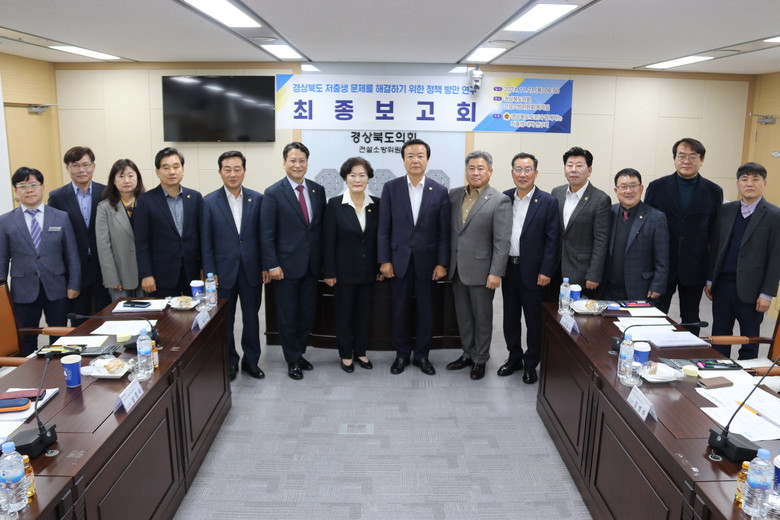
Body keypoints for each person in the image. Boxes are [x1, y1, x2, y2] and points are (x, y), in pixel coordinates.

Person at [378, 139, 450, 376]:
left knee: (426, 312)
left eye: (420, 156)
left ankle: (422, 356)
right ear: (403, 160)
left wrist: (442, 263)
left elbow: (444, 232)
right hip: (398, 261)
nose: (415, 160)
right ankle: (401, 355)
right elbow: (384, 228)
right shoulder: (391, 188)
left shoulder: (439, 191)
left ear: (427, 160)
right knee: (399, 310)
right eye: (410, 156)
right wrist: (384, 260)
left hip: (428, 263)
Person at [645, 138, 723, 336]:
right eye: (682, 156)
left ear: (701, 160)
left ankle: (690, 352)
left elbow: (715, 234)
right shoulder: (656, 187)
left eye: (693, 157)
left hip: (695, 266)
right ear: (674, 159)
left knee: (690, 318)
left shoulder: (714, 191)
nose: (687, 161)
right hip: (662, 265)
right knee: (655, 314)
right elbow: (646, 228)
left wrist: (711, 275)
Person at [261, 142, 326, 380]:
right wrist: (272, 264)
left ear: (307, 163)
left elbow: (320, 229)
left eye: (302, 160)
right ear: (284, 163)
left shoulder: (318, 190)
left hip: (311, 265)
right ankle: (292, 359)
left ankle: (299, 352)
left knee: (307, 314)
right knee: (288, 315)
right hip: (285, 268)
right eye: (293, 160)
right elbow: (267, 233)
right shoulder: (273, 193)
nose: (297, 165)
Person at [202, 151, 268, 381]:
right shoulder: (208, 202)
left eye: (237, 168)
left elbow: (263, 237)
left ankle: (251, 361)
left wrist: (265, 266)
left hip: (251, 270)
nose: (232, 174)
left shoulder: (257, 199)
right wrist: (210, 272)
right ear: (220, 172)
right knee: (226, 321)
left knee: (251, 318)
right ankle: (229, 361)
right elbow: (206, 241)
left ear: (244, 171)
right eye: (227, 169)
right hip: (222, 273)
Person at [444, 151, 511, 380]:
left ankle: (480, 359)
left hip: (483, 272)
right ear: (466, 171)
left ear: (490, 171)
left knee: (482, 318)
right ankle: (467, 353)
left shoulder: (499, 200)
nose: (475, 172)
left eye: (480, 168)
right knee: (463, 316)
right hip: (457, 268)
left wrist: (496, 272)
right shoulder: (454, 195)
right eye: (471, 168)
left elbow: (502, 241)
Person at [0, 167, 80, 354]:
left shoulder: (60, 217)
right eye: (22, 186)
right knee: (26, 338)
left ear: (42, 187)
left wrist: (74, 284)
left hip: (57, 287)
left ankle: (57, 369)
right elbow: (2, 260)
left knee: (59, 336)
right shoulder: (5, 221)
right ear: (16, 191)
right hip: (23, 290)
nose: (29, 190)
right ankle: (29, 372)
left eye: (33, 185)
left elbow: (72, 254)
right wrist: (2, 294)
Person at [706, 162, 780, 359]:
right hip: (722, 286)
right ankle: (719, 369)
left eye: (755, 179)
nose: (749, 184)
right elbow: (716, 247)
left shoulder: (775, 215)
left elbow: (776, 258)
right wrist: (710, 279)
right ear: (738, 183)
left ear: (764, 183)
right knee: (719, 337)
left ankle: (747, 374)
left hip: (753, 291)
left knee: (750, 340)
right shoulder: (726, 210)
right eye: (744, 179)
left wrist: (767, 293)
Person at [498, 153, 559, 384]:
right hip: (509, 270)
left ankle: (531, 362)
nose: (522, 174)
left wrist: (546, 271)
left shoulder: (548, 201)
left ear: (535, 173)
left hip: (535, 273)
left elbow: (553, 240)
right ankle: (514, 357)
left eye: (527, 169)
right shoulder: (505, 198)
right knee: (510, 318)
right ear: (512, 172)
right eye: (518, 169)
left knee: (534, 321)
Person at [323, 157, 382, 373]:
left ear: (368, 178)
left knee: (364, 315)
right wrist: (329, 271)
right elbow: (328, 241)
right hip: (343, 273)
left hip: (368, 273)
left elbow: (380, 239)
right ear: (345, 178)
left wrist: (380, 267)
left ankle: (361, 351)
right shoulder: (334, 204)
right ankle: (346, 354)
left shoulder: (377, 204)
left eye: (362, 175)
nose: (357, 179)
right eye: (353, 175)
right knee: (344, 315)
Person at [48, 146, 110, 322]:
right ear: (67, 168)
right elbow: (54, 236)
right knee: (79, 319)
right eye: (75, 165)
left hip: (103, 266)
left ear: (93, 166)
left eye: (85, 165)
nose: (81, 170)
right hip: (74, 269)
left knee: (106, 316)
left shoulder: (106, 193)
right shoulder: (57, 197)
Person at [134, 147, 202, 297]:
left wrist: (204, 270)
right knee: (165, 312)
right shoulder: (146, 201)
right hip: (161, 276)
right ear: (157, 172)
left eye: (176, 167)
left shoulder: (195, 197)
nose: (172, 172)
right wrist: (146, 274)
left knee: (194, 311)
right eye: (166, 168)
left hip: (192, 274)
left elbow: (201, 236)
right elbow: (141, 242)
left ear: (182, 169)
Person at [601, 168, 669, 302]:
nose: (629, 191)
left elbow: (662, 259)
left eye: (633, 186)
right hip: (608, 289)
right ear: (616, 191)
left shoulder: (656, 218)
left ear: (641, 188)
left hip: (641, 289)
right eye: (623, 187)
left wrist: (658, 285)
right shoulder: (608, 212)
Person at [551, 146, 611, 298]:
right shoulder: (557, 193)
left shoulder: (600, 199)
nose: (573, 170)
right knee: (552, 310)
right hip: (555, 269)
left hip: (582, 272)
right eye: (569, 165)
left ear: (589, 170)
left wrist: (594, 274)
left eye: (579, 165)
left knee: (579, 311)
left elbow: (601, 241)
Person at [95, 159, 146, 301]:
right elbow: (103, 246)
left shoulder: (147, 203)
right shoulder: (104, 208)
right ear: (113, 181)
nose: (126, 180)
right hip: (120, 274)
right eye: (121, 176)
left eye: (131, 175)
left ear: (137, 178)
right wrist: (111, 278)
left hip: (146, 274)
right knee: (122, 312)